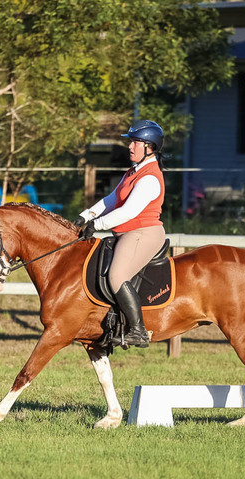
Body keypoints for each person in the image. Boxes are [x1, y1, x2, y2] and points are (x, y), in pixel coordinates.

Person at [73, 120, 166, 348]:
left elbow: (128, 212)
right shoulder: (133, 172)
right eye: (131, 142)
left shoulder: (149, 177)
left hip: (143, 233)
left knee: (116, 275)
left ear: (149, 147)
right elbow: (111, 200)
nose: (130, 147)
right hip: (127, 233)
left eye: (136, 142)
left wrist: (97, 225)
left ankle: (138, 331)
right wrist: (86, 216)